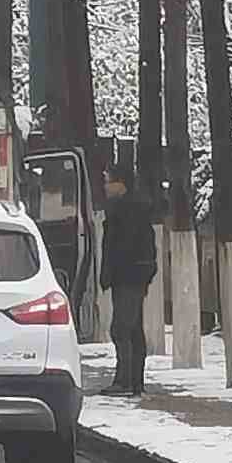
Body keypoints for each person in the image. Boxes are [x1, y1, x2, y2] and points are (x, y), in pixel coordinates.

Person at [99, 163, 159, 396]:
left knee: (122, 328)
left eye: (107, 181)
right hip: (128, 277)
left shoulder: (129, 211)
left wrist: (116, 272)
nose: (105, 186)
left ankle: (125, 381)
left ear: (120, 184)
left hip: (129, 277)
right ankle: (133, 382)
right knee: (131, 329)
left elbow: (124, 247)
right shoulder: (123, 208)